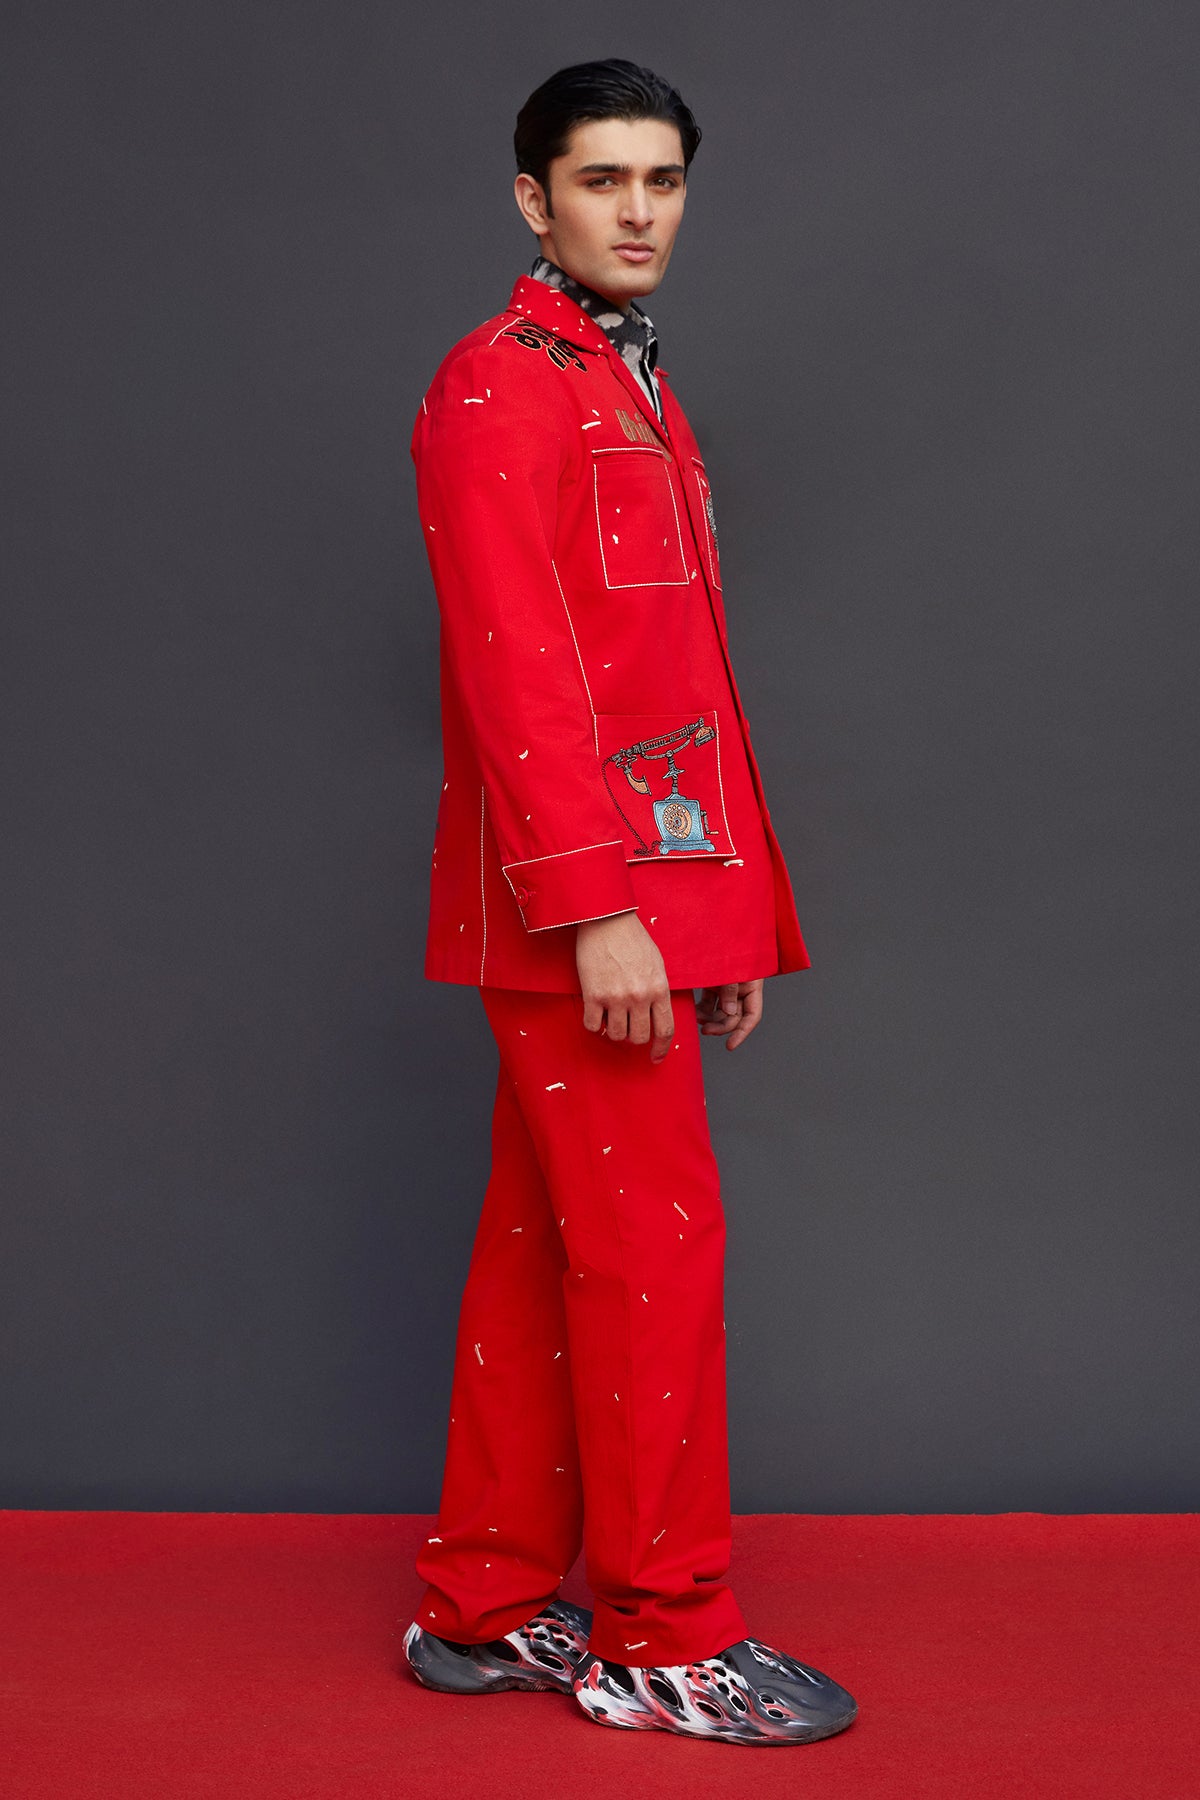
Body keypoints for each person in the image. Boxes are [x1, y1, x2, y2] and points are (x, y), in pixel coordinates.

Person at [400, 58, 857, 1748]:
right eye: (603, 181)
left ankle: (479, 1605)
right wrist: (604, 914)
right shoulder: (502, 386)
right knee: (655, 1255)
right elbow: (517, 674)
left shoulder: (626, 379)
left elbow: (674, 677)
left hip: (650, 901)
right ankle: (664, 1633)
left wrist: (726, 919)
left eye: (663, 179)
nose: (640, 211)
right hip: (580, 913)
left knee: (542, 1259)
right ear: (535, 200)